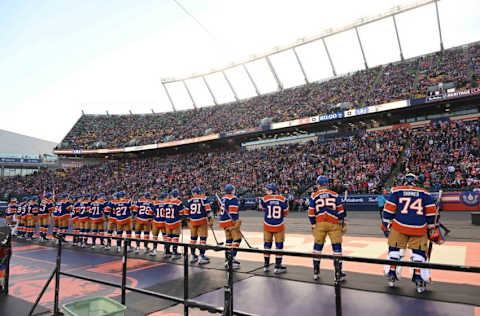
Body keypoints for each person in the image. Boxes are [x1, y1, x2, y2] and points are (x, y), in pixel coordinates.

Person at [382, 173, 442, 293]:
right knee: (418, 254)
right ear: (416, 181)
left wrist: (386, 223)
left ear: (404, 181)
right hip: (419, 228)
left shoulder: (397, 191)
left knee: (394, 251)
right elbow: (431, 213)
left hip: (399, 226)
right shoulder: (425, 193)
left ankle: (392, 274)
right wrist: (431, 226)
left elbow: (388, 210)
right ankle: (418, 277)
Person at [308, 175, 345, 281]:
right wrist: (341, 220)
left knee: (317, 248)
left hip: (320, 223)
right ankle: (338, 273)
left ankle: (316, 271)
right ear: (327, 184)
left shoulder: (314, 195)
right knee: (337, 249)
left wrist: (313, 223)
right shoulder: (334, 194)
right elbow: (340, 211)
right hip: (333, 222)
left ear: (318, 184)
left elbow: (311, 212)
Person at [261, 183, 289, 274]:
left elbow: (264, 210)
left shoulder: (264, 199)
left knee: (267, 245)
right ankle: (277, 266)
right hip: (279, 225)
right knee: (279, 246)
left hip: (267, 225)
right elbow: (285, 213)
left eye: (268, 190)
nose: (266, 191)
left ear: (271, 190)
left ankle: (266, 265)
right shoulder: (283, 199)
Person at [186, 187, 213, 264]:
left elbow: (186, 212)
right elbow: (208, 210)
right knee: (203, 238)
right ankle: (201, 256)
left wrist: (189, 221)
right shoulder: (204, 199)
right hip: (202, 221)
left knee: (193, 239)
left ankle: (193, 255)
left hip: (193, 222)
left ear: (194, 193)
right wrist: (211, 219)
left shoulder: (190, 200)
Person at [219, 184, 242, 269]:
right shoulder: (233, 198)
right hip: (230, 222)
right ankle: (231, 259)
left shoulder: (223, 198)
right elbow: (233, 212)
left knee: (229, 240)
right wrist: (236, 222)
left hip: (224, 222)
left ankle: (227, 259)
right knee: (237, 239)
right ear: (232, 190)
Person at [164, 189, 187, 260]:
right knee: (175, 237)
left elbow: (164, 211)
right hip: (175, 222)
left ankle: (167, 252)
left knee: (168, 237)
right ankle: (174, 252)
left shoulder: (167, 202)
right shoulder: (178, 202)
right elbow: (182, 213)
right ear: (177, 195)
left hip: (167, 222)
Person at [151, 192, 168, 256]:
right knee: (165, 238)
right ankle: (165, 251)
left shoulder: (155, 203)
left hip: (156, 222)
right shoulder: (166, 203)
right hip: (164, 223)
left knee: (155, 237)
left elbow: (150, 212)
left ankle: (154, 250)